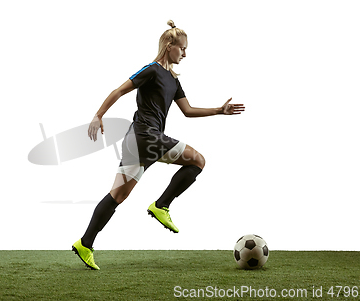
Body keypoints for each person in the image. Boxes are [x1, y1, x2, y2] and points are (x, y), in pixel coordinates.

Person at [72, 20, 245, 270]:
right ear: (168, 46)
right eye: (182, 48)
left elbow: (187, 110)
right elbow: (119, 91)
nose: (185, 54)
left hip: (138, 143)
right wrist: (98, 115)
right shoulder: (152, 70)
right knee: (198, 160)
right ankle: (161, 205)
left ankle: (85, 244)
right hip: (145, 136)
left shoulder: (173, 80)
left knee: (117, 195)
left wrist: (219, 110)